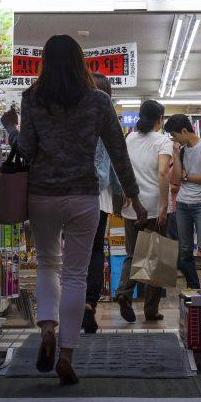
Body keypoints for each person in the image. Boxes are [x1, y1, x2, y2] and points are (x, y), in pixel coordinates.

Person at [0, 35, 145, 386]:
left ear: (45, 62)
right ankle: (66, 353)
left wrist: (11, 129)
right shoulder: (98, 100)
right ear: (81, 62)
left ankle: (47, 327)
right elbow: (118, 153)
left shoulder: (33, 97)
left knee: (49, 265)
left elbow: (28, 151)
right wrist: (134, 196)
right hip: (83, 197)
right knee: (76, 275)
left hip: (43, 195)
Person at [115, 99, 172, 324]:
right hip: (153, 207)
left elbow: (123, 168)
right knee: (155, 259)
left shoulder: (129, 138)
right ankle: (150, 310)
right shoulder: (163, 141)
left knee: (133, 254)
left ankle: (123, 293)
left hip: (133, 206)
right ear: (160, 119)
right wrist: (164, 207)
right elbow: (163, 174)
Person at [82, 73, 124, 335]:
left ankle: (73, 308)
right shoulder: (109, 122)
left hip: (73, 191)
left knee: (75, 253)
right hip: (100, 198)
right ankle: (89, 304)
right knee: (96, 251)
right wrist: (122, 193)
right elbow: (117, 160)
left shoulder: (72, 118)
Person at [164, 113, 201, 289]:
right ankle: (194, 286)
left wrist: (188, 177)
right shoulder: (182, 150)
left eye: (174, 135)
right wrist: (175, 154)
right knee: (184, 250)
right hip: (182, 204)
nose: (174, 139)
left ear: (184, 130)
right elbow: (177, 180)